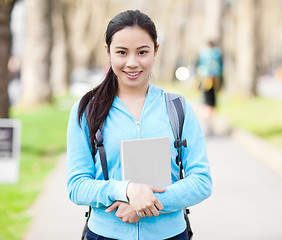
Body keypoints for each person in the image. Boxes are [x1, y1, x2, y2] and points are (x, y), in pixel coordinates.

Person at [66, 10, 212, 240]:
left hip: (170, 235)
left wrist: (145, 204)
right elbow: (76, 186)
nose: (132, 63)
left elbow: (201, 181)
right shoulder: (87, 110)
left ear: (155, 51)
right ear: (108, 52)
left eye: (142, 52)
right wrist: (126, 190)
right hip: (105, 235)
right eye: (122, 52)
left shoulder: (178, 108)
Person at [195, 41, 223, 136]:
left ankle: (206, 122)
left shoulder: (202, 53)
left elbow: (196, 65)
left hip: (204, 80)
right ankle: (209, 122)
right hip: (215, 80)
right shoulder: (217, 53)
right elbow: (221, 67)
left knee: (205, 100)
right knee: (211, 102)